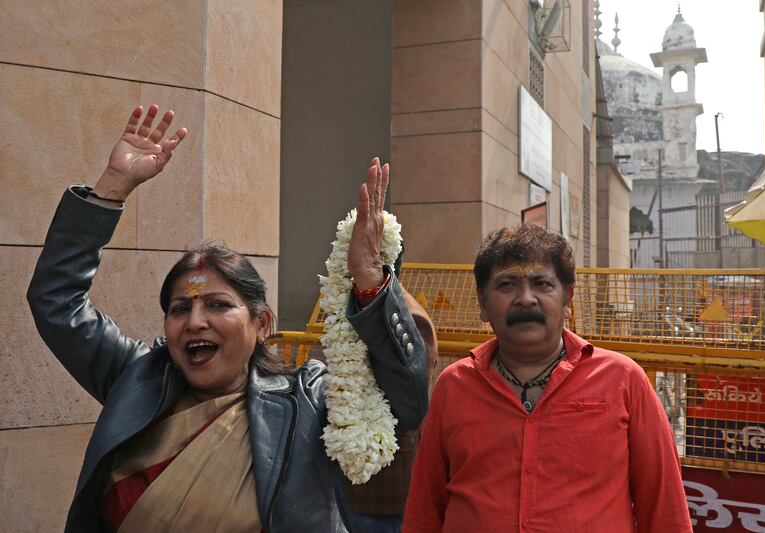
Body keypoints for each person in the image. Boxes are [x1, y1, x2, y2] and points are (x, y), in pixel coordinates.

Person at [27, 104, 431, 532]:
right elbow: (56, 300)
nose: (196, 321)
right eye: (180, 309)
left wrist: (369, 282)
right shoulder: (136, 380)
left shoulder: (305, 401)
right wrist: (112, 187)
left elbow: (404, 400)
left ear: (262, 325)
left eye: (218, 305)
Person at [403, 224, 692, 532]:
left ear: (567, 298)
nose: (526, 299)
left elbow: (665, 510)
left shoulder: (623, 380)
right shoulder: (454, 386)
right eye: (507, 285)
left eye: (542, 284)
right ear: (483, 304)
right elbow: (425, 507)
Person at [338, 243, 438, 533]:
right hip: (347, 475)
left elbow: (409, 406)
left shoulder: (409, 316)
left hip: (384, 483)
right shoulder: (348, 305)